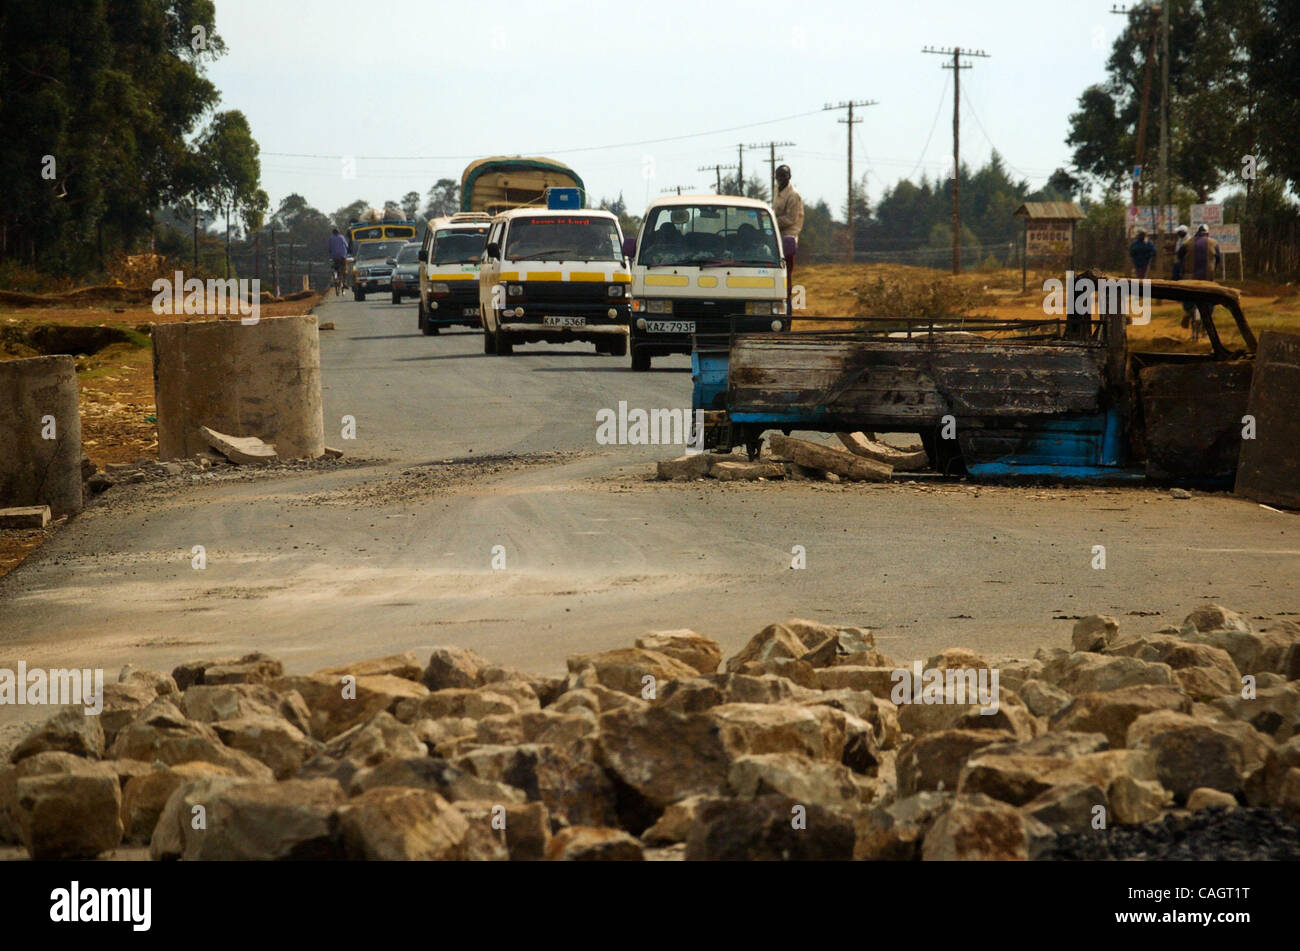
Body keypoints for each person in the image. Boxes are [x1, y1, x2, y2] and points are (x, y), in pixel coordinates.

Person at [1176, 223, 1223, 330]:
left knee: (1186, 298)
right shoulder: (1214, 243)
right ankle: (1208, 316)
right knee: (1210, 299)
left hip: (1189, 279)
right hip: (1208, 278)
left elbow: (1179, 256)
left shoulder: (1188, 242)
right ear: (1208, 233)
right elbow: (1218, 259)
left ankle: (1188, 312)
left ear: (1197, 233)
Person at [773, 165, 803, 303]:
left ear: (789, 177)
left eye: (783, 176)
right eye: (778, 176)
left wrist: (771, 221)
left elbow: (791, 219)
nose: (780, 179)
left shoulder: (793, 195)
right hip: (776, 232)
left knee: (786, 270)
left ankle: (787, 299)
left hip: (788, 235)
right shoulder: (777, 190)